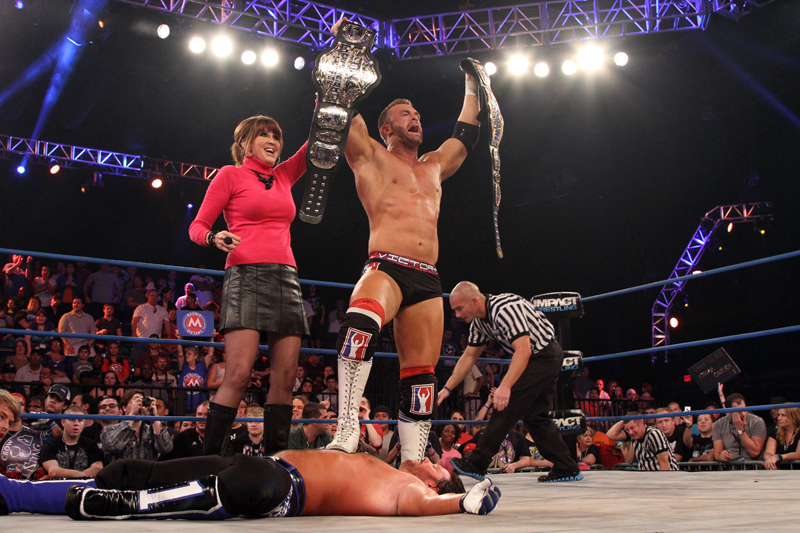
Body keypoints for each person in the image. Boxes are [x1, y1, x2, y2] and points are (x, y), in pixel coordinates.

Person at [326, 21, 483, 464]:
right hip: (386, 265)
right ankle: (347, 427)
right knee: (359, 328)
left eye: (416, 113)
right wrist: (341, 49)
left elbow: (466, 136)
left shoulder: (433, 165)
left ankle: (413, 460)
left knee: (421, 375)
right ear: (386, 129)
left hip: (428, 278)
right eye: (403, 114)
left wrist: (474, 84)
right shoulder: (371, 155)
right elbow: (337, 105)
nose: (414, 117)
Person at [188, 115, 310, 457]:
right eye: (264, 135)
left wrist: (327, 102)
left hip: (286, 277)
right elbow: (197, 226)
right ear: (245, 143)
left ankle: (277, 463)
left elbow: (314, 145)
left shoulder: (284, 174)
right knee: (239, 374)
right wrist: (214, 237)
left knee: (285, 377)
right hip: (245, 276)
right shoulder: (230, 174)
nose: (273, 141)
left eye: (276, 136)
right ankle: (211, 462)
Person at [439, 282, 581, 483]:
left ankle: (478, 463)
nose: (457, 315)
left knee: (504, 405)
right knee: (535, 417)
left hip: (543, 356)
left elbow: (523, 350)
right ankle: (566, 467)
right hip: (536, 358)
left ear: (474, 301)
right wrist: (447, 388)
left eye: (459, 308)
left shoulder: (504, 309)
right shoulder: (480, 323)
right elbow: (469, 356)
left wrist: (505, 387)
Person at [101, 389, 173, 462]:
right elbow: (113, 446)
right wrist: (132, 414)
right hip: (122, 469)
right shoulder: (109, 429)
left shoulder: (151, 429)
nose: (138, 405)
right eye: (134, 402)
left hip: (146, 469)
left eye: (141, 402)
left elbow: (166, 448)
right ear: (124, 408)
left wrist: (154, 418)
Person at [39, 405, 104, 478]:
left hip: (84, 484)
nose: (76, 424)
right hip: (59, 484)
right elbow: (53, 470)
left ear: (84, 423)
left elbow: (97, 468)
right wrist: (79, 476)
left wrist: (78, 478)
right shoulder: (50, 444)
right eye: (72, 420)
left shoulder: (91, 444)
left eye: (80, 420)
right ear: (63, 422)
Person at [607, 413, 678, 471]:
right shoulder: (633, 436)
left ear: (641, 423)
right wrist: (625, 420)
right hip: (646, 478)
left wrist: (657, 482)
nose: (630, 432)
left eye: (632, 428)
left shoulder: (653, 434)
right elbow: (611, 434)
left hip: (666, 478)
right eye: (627, 429)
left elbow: (665, 465)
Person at [712, 393, 767, 463]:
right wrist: (721, 456)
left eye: (745, 409)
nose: (744, 414)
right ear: (729, 412)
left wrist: (740, 429)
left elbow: (755, 452)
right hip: (729, 466)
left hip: (751, 466)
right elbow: (717, 454)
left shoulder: (757, 422)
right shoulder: (719, 424)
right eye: (739, 412)